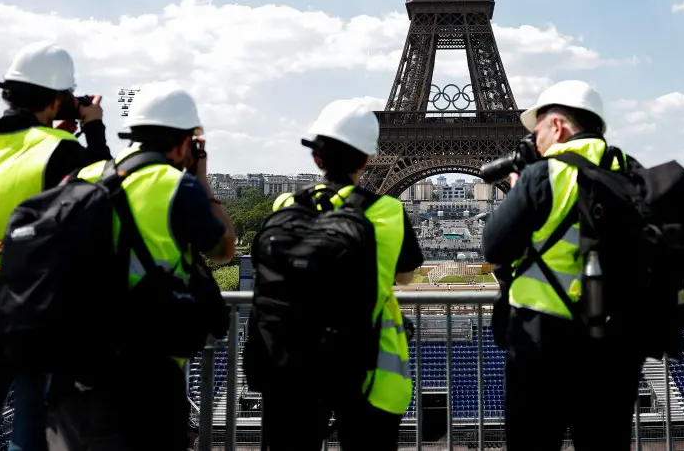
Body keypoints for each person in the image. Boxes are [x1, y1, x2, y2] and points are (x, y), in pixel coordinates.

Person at [46, 82, 236, 451]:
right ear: (185, 142)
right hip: (149, 364)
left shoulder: (83, 178)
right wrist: (201, 176)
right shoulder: (176, 186)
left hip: (79, 360)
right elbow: (225, 249)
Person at [0, 41, 112, 451]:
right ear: (58, 99)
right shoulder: (59, 151)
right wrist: (93, 129)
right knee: (32, 431)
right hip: (35, 304)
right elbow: (106, 190)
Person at [481, 80, 644, 451]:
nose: (533, 139)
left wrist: (519, 186)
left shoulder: (544, 175)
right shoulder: (633, 172)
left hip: (541, 340)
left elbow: (494, 246)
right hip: (617, 342)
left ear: (557, 126)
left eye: (536, 129)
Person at [259, 99, 424, 451]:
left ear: (316, 158)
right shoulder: (388, 211)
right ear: (367, 160)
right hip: (366, 366)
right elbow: (406, 277)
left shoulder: (284, 206)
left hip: (291, 364)